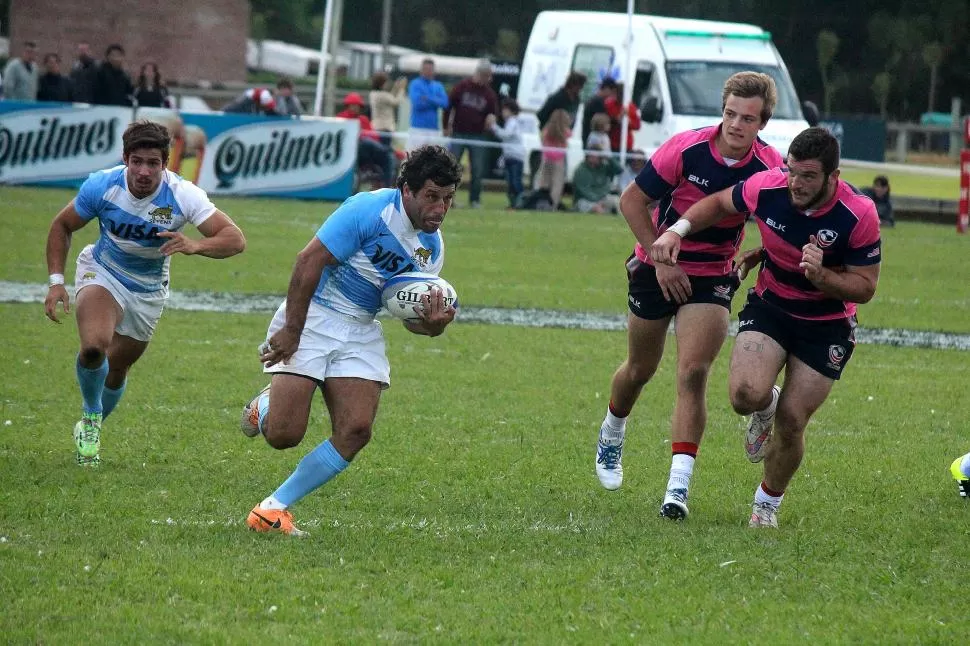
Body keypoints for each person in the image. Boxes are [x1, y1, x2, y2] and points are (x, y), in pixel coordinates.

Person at [650, 126, 882, 528]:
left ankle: (766, 504)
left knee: (792, 422)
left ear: (833, 177)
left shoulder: (858, 214)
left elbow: (865, 287)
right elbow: (720, 202)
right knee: (743, 395)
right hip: (771, 308)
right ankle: (766, 403)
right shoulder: (768, 187)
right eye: (792, 171)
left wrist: (823, 277)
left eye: (808, 176)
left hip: (827, 325)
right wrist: (676, 230)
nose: (795, 182)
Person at [238, 145, 463, 537]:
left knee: (357, 429)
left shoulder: (432, 249)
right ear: (406, 190)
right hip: (315, 315)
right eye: (431, 197)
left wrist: (432, 327)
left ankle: (271, 510)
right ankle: (268, 404)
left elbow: (403, 312)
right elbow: (308, 260)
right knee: (283, 436)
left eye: (447, 199)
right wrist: (292, 328)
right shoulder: (368, 209)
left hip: (360, 327)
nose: (440, 209)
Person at [594, 72, 785, 522]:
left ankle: (676, 488)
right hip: (656, 265)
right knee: (640, 369)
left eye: (748, 118)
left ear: (763, 123)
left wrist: (758, 255)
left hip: (712, 274)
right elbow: (631, 201)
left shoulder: (770, 167)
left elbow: (779, 225)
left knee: (694, 372)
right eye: (730, 113)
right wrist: (660, 261)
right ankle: (612, 430)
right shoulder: (686, 148)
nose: (736, 125)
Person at [44, 120, 246, 466]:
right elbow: (62, 225)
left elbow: (235, 239)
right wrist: (57, 282)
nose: (143, 171)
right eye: (137, 161)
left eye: (153, 163)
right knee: (95, 347)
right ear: (125, 158)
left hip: (149, 289)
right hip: (103, 269)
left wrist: (195, 245)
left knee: (118, 368)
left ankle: (92, 423)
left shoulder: (183, 195)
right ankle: (91, 417)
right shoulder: (102, 186)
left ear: (165, 164)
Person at [443, 58, 499, 208]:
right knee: (452, 167)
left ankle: (475, 199)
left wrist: (491, 119)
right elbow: (448, 107)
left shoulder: (489, 94)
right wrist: (446, 126)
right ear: (480, 73)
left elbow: (493, 113)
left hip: (478, 135)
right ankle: (449, 198)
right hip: (459, 132)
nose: (489, 79)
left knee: (477, 169)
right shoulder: (462, 87)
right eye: (487, 76)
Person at [337, 92, 396, 188]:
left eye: (357, 106)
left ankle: (387, 187)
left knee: (389, 157)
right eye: (353, 105)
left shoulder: (363, 119)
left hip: (370, 152)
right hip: (354, 151)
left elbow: (374, 137)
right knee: (366, 143)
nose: (355, 108)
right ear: (347, 106)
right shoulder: (341, 118)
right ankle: (386, 149)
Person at [487, 98, 526, 208]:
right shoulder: (510, 122)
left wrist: (493, 126)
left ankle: (520, 203)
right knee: (510, 182)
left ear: (512, 111)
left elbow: (506, 135)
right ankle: (513, 203)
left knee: (515, 181)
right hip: (509, 156)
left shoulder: (512, 122)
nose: (503, 112)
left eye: (505, 109)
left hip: (516, 157)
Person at [533, 108, 572, 210]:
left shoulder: (547, 130)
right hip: (558, 160)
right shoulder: (565, 132)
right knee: (557, 184)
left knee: (544, 182)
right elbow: (567, 140)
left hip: (546, 158)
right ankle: (553, 205)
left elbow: (542, 140)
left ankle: (542, 201)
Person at [407, 58, 449, 150]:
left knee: (433, 161)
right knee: (413, 159)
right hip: (417, 129)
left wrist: (427, 98)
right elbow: (417, 104)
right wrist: (435, 101)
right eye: (426, 69)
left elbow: (445, 103)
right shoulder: (415, 84)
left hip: (433, 129)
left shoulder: (438, 85)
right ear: (421, 70)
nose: (428, 72)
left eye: (430, 69)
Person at [572, 143, 622, 214]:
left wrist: (609, 158)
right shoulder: (580, 170)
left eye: (597, 155)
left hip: (602, 198)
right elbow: (584, 191)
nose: (594, 157)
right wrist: (597, 201)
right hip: (585, 200)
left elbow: (619, 170)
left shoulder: (604, 167)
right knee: (595, 208)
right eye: (591, 155)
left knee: (617, 201)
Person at [370, 71, 407, 148]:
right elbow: (396, 101)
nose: (387, 84)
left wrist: (396, 87)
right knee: (385, 150)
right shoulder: (383, 95)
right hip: (385, 128)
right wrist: (402, 89)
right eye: (386, 82)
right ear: (381, 84)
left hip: (376, 127)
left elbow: (390, 98)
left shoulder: (373, 94)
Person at [581, 78, 618, 152]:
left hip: (588, 137)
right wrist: (617, 119)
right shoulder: (598, 102)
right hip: (595, 142)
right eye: (612, 92)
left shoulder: (593, 100)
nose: (613, 95)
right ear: (607, 89)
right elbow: (603, 120)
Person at [604, 84, 641, 154]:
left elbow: (637, 126)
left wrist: (628, 121)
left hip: (627, 144)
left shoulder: (631, 107)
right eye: (620, 93)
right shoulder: (608, 105)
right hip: (611, 143)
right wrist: (619, 118)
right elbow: (604, 122)